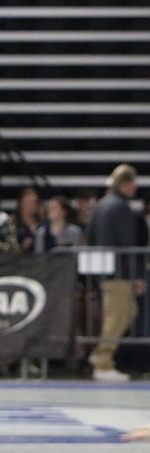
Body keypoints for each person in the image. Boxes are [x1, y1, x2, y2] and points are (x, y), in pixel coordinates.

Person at [86, 164, 144, 382]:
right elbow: (128, 244)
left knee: (127, 312)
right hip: (119, 271)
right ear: (127, 183)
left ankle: (100, 354)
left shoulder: (101, 205)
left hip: (104, 270)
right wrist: (136, 275)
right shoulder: (121, 207)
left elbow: (89, 235)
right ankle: (103, 360)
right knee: (117, 316)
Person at [14, 186, 44, 253]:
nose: (30, 206)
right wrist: (21, 247)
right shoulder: (13, 224)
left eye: (34, 202)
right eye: (27, 202)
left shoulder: (43, 224)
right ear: (21, 203)